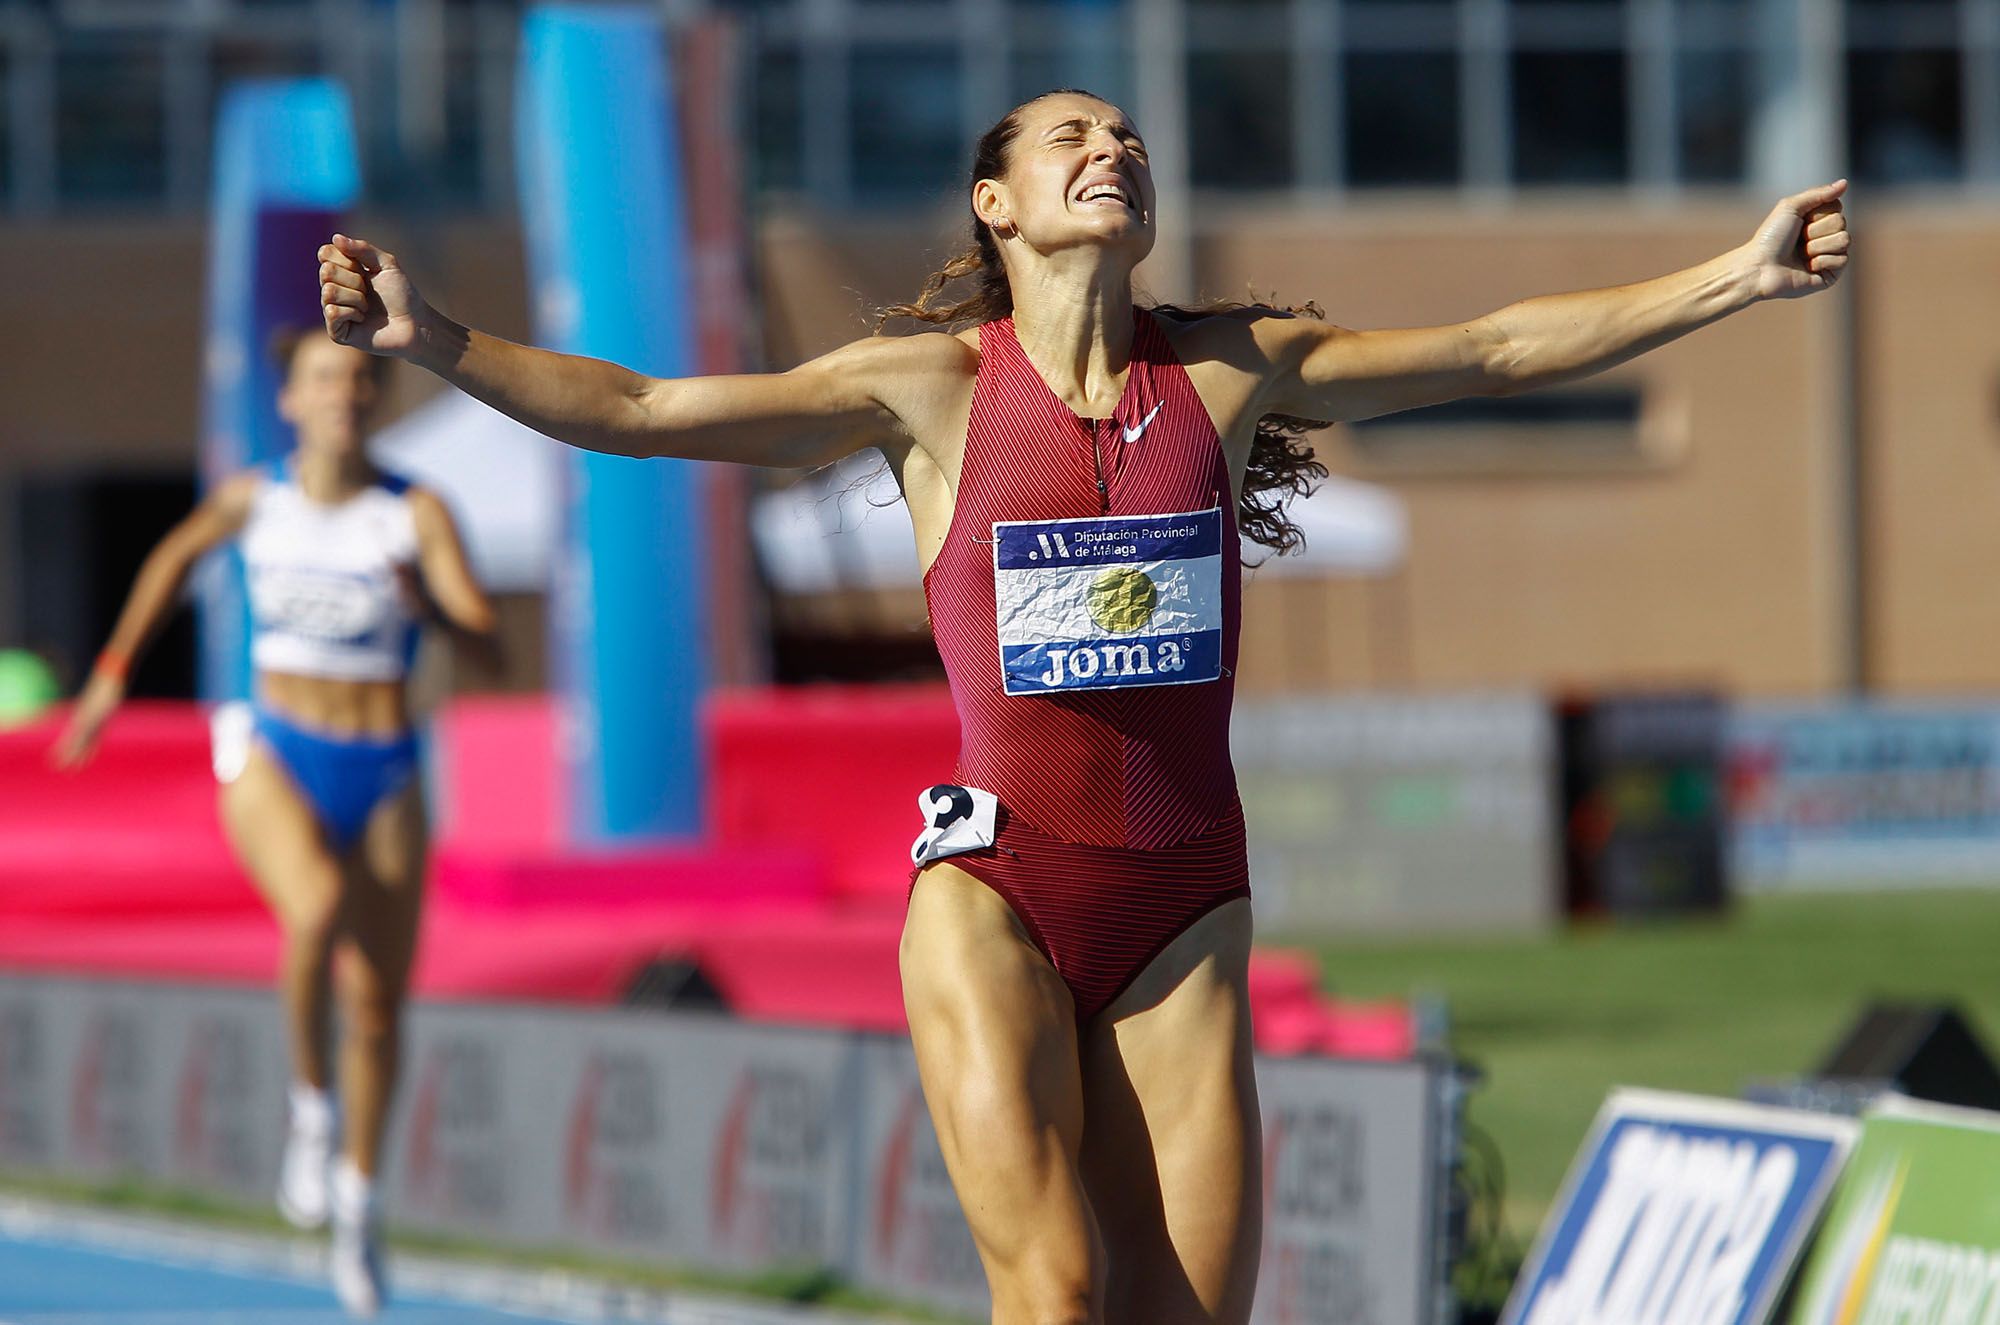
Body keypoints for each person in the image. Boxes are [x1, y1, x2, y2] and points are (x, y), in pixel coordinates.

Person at [313, 89, 1848, 1324]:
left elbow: (1501, 348)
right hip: (996, 888)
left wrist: (1742, 271)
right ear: (997, 204)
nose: (1114, 148)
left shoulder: (1237, 373)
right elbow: (645, 413)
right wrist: (431, 337)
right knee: (1051, 1295)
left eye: (1131, 137)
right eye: (1072, 136)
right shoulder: (928, 389)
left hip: (1184, 909)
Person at [53, 329, 496, 1317]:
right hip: (275, 751)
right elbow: (171, 557)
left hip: (382, 765)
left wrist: (431, 610)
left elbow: (489, 645)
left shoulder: (413, 512)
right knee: (315, 909)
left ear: (376, 398)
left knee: (379, 1008)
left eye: (360, 378)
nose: (346, 392)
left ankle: (358, 1202)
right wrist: (111, 678)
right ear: (290, 401)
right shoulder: (259, 498)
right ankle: (309, 1107)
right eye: (326, 378)